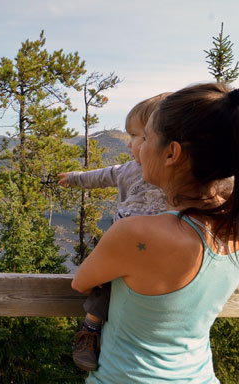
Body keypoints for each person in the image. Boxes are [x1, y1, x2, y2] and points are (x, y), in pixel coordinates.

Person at [72, 82, 239, 383]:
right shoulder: (232, 225)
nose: (136, 147)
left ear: (171, 153)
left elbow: (82, 281)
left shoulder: (136, 234)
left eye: (145, 137)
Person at [58, 93, 169, 371]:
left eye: (137, 136)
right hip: (119, 243)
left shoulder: (177, 178)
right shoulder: (128, 170)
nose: (131, 143)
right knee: (101, 283)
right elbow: (101, 175)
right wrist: (73, 179)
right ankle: (90, 330)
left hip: (158, 248)